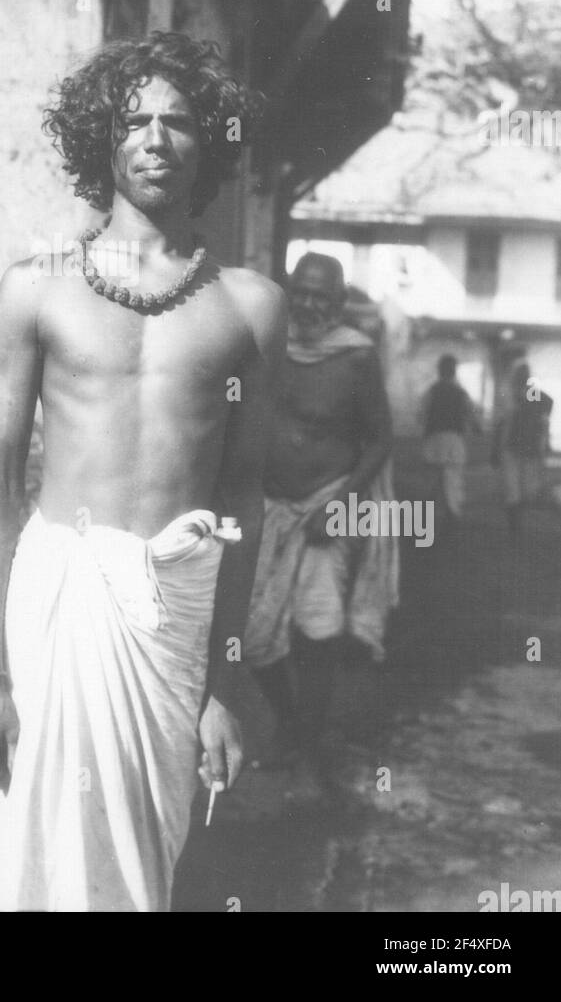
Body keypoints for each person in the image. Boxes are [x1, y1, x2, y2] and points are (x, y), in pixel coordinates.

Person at [0, 31, 287, 912]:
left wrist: (225, 677)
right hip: (60, 603)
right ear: (102, 139)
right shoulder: (36, 288)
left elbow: (245, 497)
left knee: (144, 872)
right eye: (132, 119)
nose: (154, 138)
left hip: (172, 618)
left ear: (208, 142)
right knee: (40, 861)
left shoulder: (250, 307)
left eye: (178, 121)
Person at [244, 252, 395, 802]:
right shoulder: (267, 346)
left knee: (318, 627)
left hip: (327, 504)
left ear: (337, 303)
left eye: (320, 296)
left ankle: (306, 738)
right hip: (270, 506)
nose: (308, 304)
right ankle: (292, 723)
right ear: (288, 294)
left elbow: (379, 440)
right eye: (300, 292)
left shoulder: (356, 358)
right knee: (254, 632)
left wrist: (343, 505)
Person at [492, 358, 553, 537]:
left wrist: (496, 449)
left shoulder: (510, 394)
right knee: (525, 488)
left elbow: (503, 424)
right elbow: (545, 411)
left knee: (514, 489)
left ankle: (515, 525)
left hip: (511, 447)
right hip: (529, 447)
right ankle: (516, 525)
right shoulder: (533, 394)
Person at [420, 354, 479, 526]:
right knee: (453, 479)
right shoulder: (461, 393)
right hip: (454, 440)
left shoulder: (430, 391)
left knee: (431, 480)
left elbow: (421, 415)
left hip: (434, 439)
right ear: (454, 371)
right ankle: (452, 512)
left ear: (439, 371)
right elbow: (472, 415)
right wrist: (476, 428)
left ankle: (424, 516)